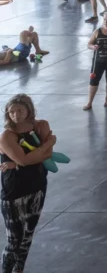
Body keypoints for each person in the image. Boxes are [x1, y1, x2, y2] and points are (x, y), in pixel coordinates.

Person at [0, 94, 53, 273]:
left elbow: (47, 156)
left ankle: (19, 269)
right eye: (12, 111)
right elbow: (24, 160)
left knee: (28, 234)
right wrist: (49, 143)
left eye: (20, 110)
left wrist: (19, 162)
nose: (16, 114)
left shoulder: (40, 126)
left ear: (28, 110)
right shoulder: (7, 136)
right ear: (7, 113)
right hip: (13, 192)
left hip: (37, 185)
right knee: (14, 239)